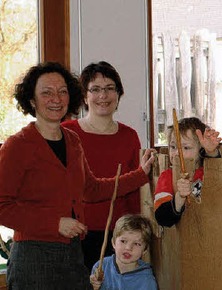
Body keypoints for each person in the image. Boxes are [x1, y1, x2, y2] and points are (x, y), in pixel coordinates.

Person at [0, 62, 155, 289]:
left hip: (73, 253)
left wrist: (141, 175)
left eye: (62, 92)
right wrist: (55, 224)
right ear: (32, 100)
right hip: (33, 257)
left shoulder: (72, 140)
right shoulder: (18, 145)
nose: (56, 98)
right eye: (47, 93)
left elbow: (91, 190)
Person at [62, 61, 142, 269]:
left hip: (118, 238)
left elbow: (135, 190)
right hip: (75, 235)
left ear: (118, 94)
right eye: (95, 89)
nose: (103, 96)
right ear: (85, 96)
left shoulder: (129, 136)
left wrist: (137, 231)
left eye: (109, 89)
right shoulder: (67, 133)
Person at [154, 117, 221, 227]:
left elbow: (219, 174)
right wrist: (179, 197)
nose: (176, 153)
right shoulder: (167, 177)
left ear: (201, 150)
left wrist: (211, 151)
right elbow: (162, 218)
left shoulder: (206, 172)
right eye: (173, 147)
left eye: (186, 148)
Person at [89, 214, 157, 290]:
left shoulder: (146, 280)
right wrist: (94, 286)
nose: (128, 248)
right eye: (123, 241)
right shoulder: (101, 267)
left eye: (137, 244)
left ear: (145, 250)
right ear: (113, 242)